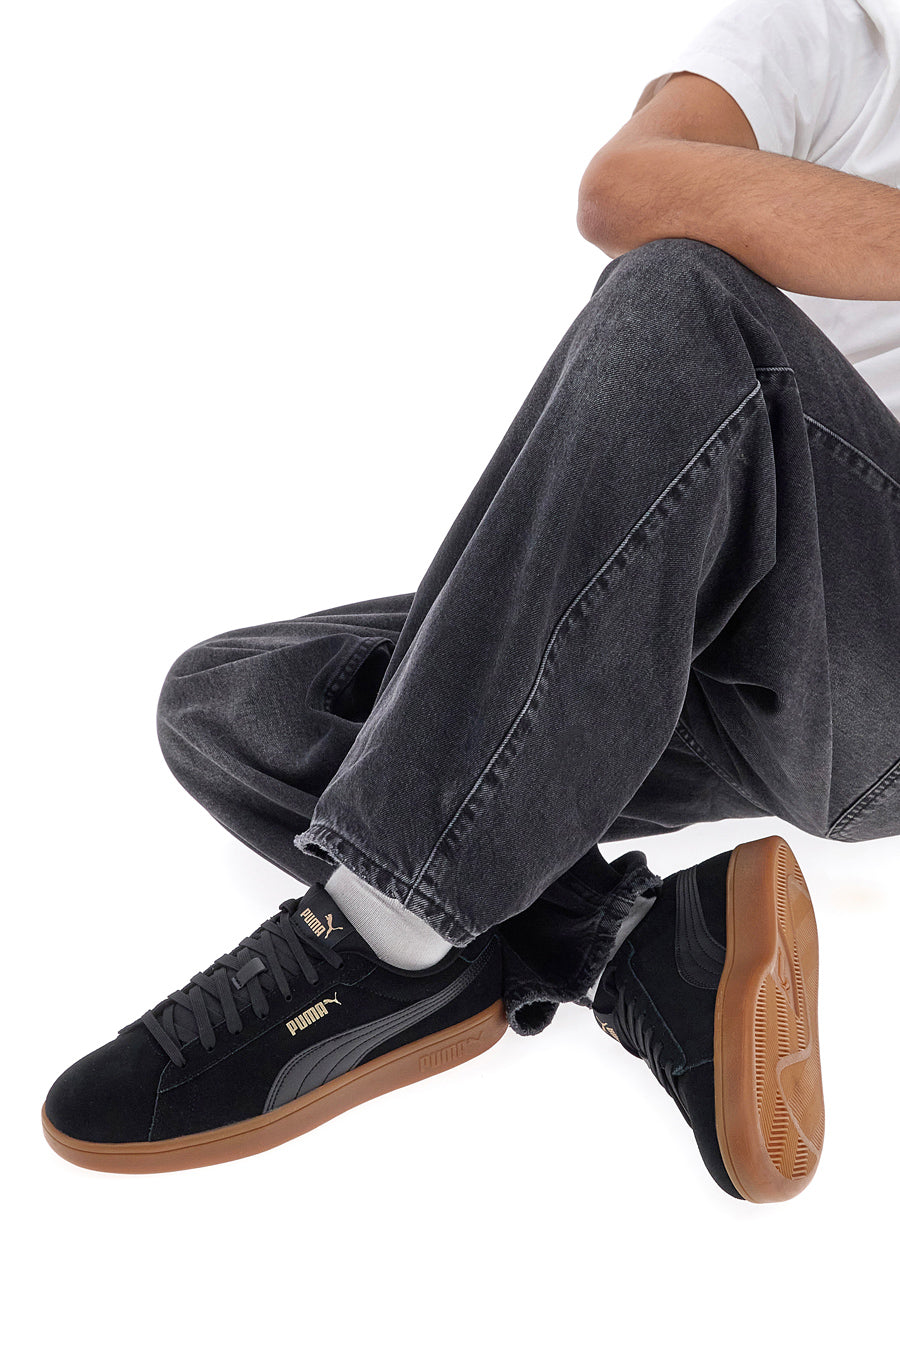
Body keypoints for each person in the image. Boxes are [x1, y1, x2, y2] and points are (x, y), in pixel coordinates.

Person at [41, 0, 899, 1203]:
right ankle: (630, 949)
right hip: (739, 645)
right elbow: (626, 188)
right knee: (241, 700)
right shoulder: (838, 31)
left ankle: (379, 943)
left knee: (684, 299)